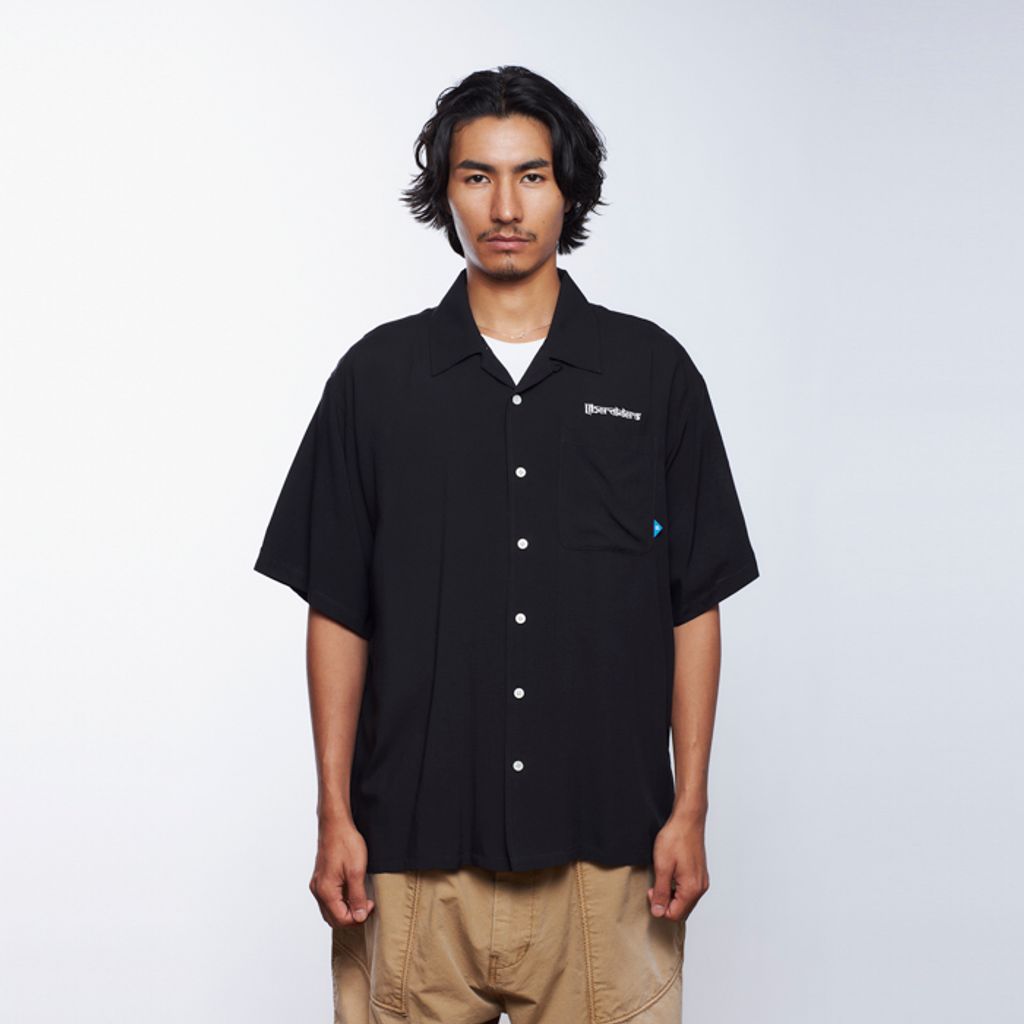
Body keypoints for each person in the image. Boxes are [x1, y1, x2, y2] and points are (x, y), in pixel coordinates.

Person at [253, 64, 760, 1024]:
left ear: (569, 191)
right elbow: (338, 608)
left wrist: (690, 808)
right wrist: (333, 813)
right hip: (411, 862)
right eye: (477, 176)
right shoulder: (376, 379)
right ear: (444, 193)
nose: (505, 206)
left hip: (609, 862)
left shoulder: (653, 375)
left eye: (532, 176)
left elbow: (694, 601)